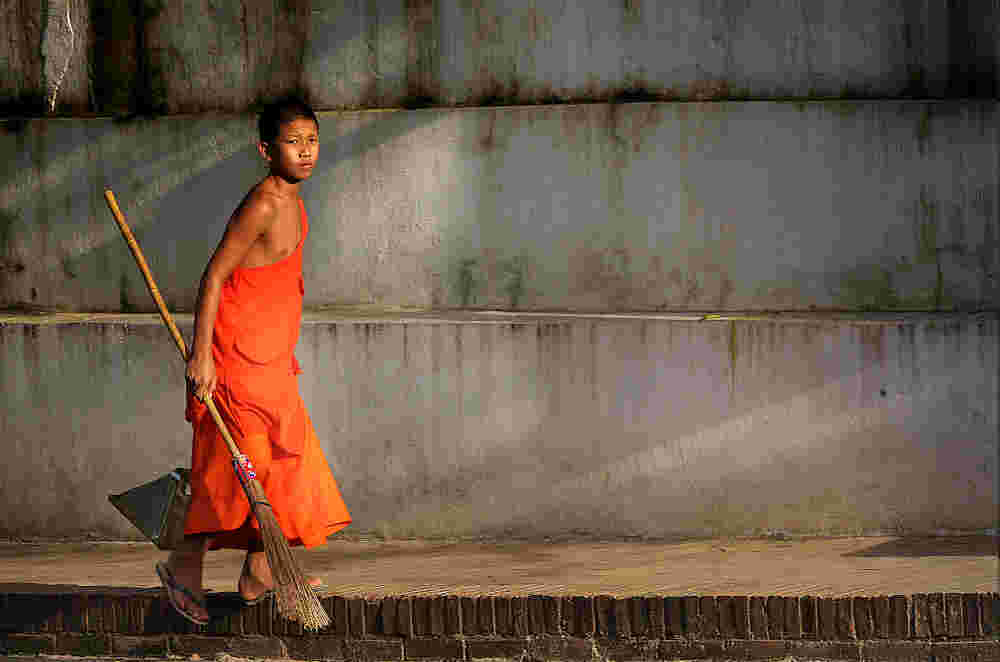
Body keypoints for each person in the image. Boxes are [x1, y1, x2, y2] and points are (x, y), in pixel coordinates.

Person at [155, 96, 352, 625]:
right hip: (236, 357)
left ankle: (260, 570)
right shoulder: (263, 204)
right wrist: (201, 355)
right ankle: (183, 568)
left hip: (271, 356)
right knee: (237, 466)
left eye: (312, 140)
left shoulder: (295, 200)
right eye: (293, 142)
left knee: (283, 461)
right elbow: (214, 277)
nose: (305, 151)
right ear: (266, 150)